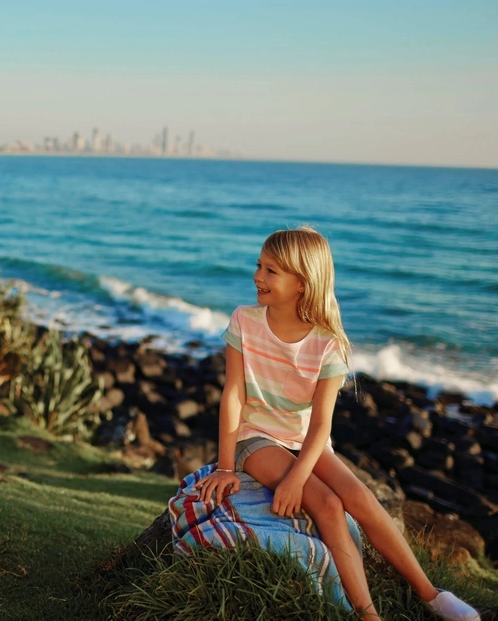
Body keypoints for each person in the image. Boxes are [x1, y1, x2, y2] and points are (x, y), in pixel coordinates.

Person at [197, 227, 479, 621]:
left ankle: (431, 594)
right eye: (259, 266)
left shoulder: (327, 342)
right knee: (328, 505)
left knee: (362, 500)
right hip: (254, 438)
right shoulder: (245, 321)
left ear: (302, 283)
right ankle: (368, 615)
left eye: (271, 270)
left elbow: (320, 425)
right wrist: (227, 466)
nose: (258, 276)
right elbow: (233, 395)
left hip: (305, 441)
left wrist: (297, 476)